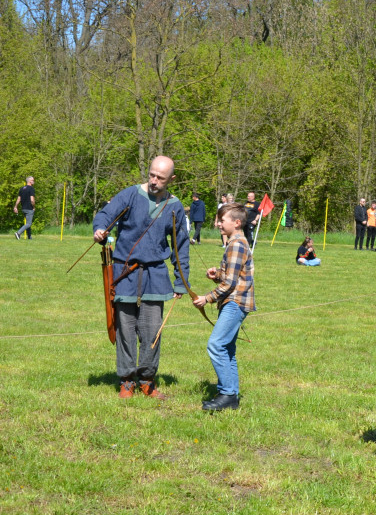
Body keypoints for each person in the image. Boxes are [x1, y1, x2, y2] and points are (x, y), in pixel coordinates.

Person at [92, 156, 190, 400]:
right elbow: (105, 215)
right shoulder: (130, 194)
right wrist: (99, 230)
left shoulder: (175, 206)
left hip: (155, 274)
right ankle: (126, 381)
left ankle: (147, 381)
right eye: (152, 174)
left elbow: (181, 245)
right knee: (125, 329)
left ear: (172, 180)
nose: (154, 180)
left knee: (151, 331)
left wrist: (181, 280)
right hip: (124, 271)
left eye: (161, 178)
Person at [193, 202, 256, 411]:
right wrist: (217, 274)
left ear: (236, 223)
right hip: (235, 302)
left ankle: (227, 393)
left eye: (222, 220)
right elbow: (230, 276)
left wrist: (207, 298)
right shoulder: (235, 242)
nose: (218, 224)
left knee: (216, 345)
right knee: (227, 349)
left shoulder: (237, 244)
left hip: (235, 303)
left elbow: (230, 284)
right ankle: (232, 396)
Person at [13, 175, 36, 240]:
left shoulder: (22, 189)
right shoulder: (31, 189)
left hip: (23, 208)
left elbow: (18, 199)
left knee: (28, 223)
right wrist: (34, 207)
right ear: (30, 181)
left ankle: (29, 237)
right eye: (33, 180)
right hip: (29, 208)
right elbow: (32, 200)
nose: (34, 181)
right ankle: (18, 233)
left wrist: (15, 207)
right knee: (29, 223)